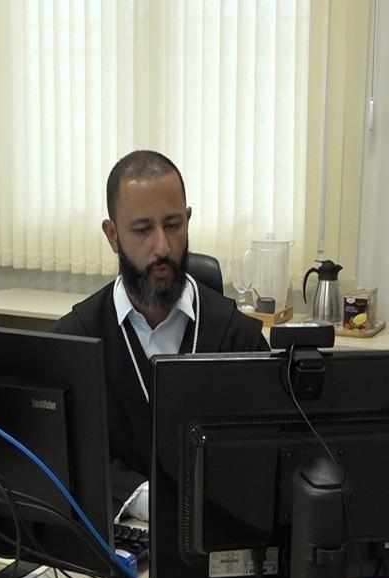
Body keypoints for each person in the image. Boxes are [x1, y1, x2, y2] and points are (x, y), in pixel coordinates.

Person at [54, 150, 269, 520]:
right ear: (112, 235)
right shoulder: (76, 341)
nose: (163, 247)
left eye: (173, 225)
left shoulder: (238, 339)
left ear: (188, 220)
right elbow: (64, 455)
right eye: (142, 230)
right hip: (115, 537)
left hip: (215, 533)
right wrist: (141, 498)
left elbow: (265, 456)